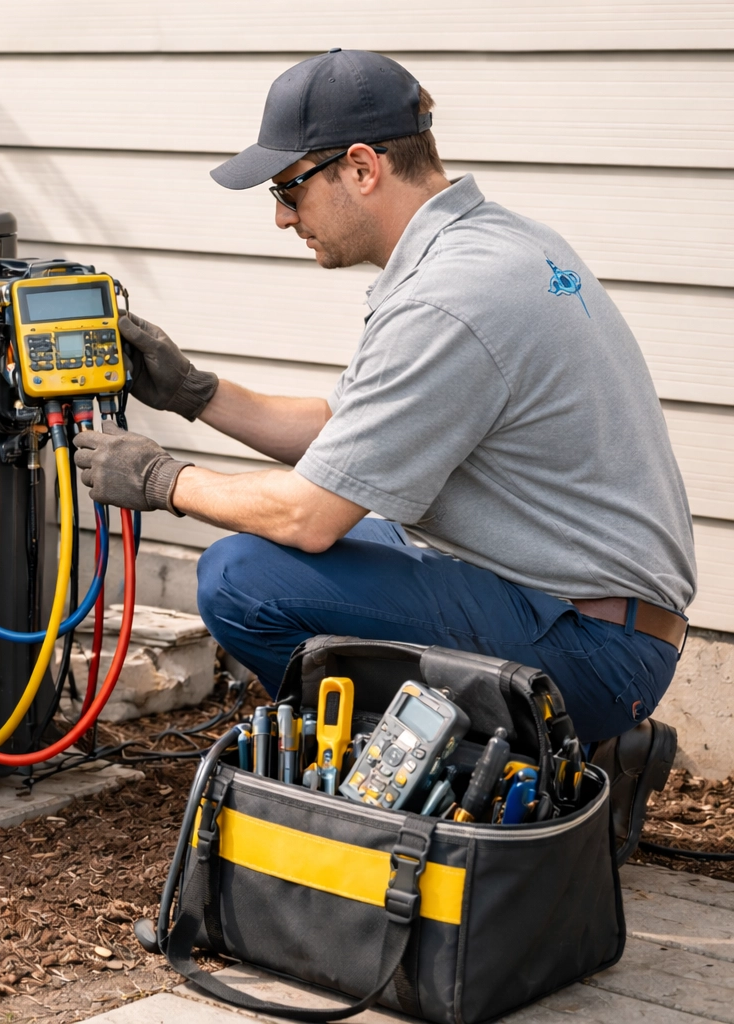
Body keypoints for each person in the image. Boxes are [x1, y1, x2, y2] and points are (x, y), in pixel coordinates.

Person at [71, 48, 688, 848]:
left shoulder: (451, 299)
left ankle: (449, 789)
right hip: (578, 607)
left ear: (360, 167)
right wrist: (196, 395)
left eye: (289, 187)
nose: (283, 217)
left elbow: (310, 516)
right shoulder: (491, 244)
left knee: (243, 578)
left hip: (589, 643)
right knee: (314, 547)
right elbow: (350, 435)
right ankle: (562, 756)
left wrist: (159, 476)